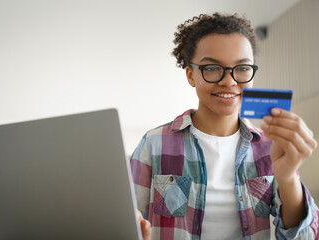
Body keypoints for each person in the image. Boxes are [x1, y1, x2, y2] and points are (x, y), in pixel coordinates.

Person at [130, 13, 319, 240]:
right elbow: (128, 222)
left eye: (241, 68)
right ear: (191, 75)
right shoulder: (154, 143)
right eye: (211, 68)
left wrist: (288, 177)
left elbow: (304, 237)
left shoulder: (271, 147)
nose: (229, 81)